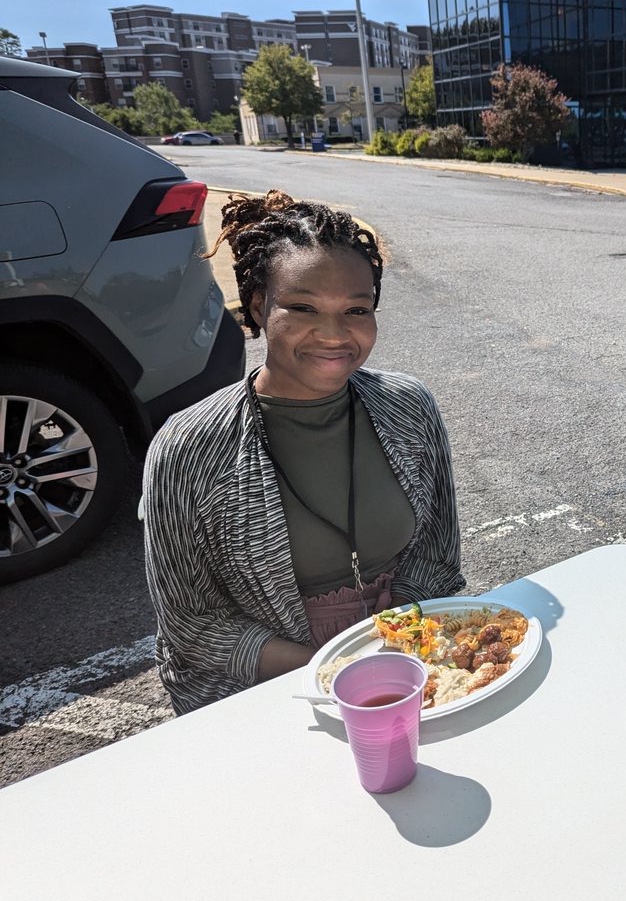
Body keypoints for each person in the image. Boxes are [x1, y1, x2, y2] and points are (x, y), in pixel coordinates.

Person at [144, 190, 463, 714]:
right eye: (303, 307)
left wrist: (396, 646)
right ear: (257, 305)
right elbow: (192, 624)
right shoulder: (189, 446)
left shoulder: (409, 407)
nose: (334, 335)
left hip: (407, 660)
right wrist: (335, 672)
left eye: (356, 310)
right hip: (266, 689)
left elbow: (436, 554)